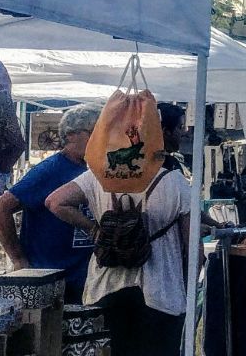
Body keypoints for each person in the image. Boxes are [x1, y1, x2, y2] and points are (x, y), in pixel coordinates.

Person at [47, 148, 191, 356]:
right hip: (162, 294)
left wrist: (94, 229)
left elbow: (55, 202)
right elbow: (193, 246)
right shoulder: (175, 182)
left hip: (105, 289)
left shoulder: (97, 176)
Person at [0, 104, 100, 302]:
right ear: (72, 134)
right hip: (50, 279)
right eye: (94, 132)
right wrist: (18, 259)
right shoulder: (50, 170)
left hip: (84, 279)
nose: (101, 138)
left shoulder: (94, 169)